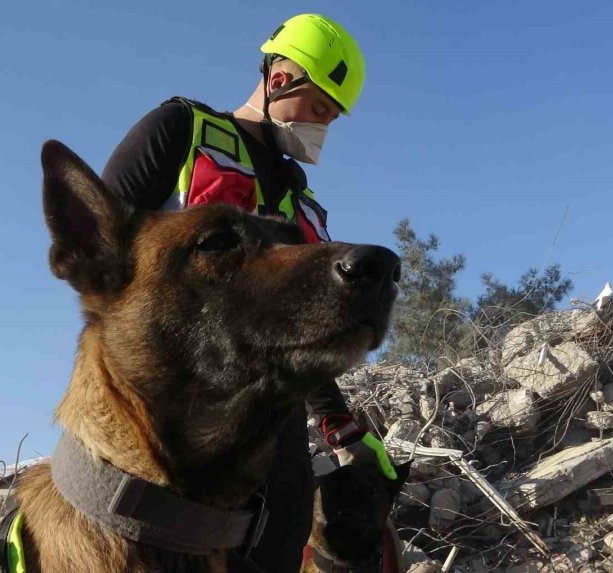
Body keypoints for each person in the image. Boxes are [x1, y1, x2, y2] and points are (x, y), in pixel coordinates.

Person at [100, 13, 395, 573]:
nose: (321, 130)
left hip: (272, 430)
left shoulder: (301, 206)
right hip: (163, 414)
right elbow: (100, 244)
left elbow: (307, 329)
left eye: (332, 120)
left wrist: (338, 420)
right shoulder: (180, 132)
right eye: (319, 110)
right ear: (280, 80)